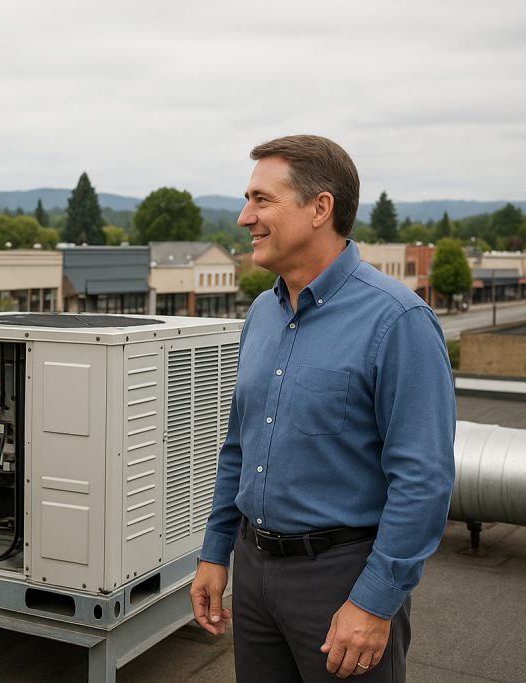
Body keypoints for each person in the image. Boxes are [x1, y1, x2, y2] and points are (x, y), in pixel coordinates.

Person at [190, 135, 455, 681]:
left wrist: (375, 601)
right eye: (248, 200)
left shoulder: (397, 320)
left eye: (262, 200)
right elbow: (238, 448)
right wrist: (216, 552)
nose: (245, 217)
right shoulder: (262, 314)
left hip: (343, 583)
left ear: (320, 207)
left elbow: (422, 478)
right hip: (256, 572)